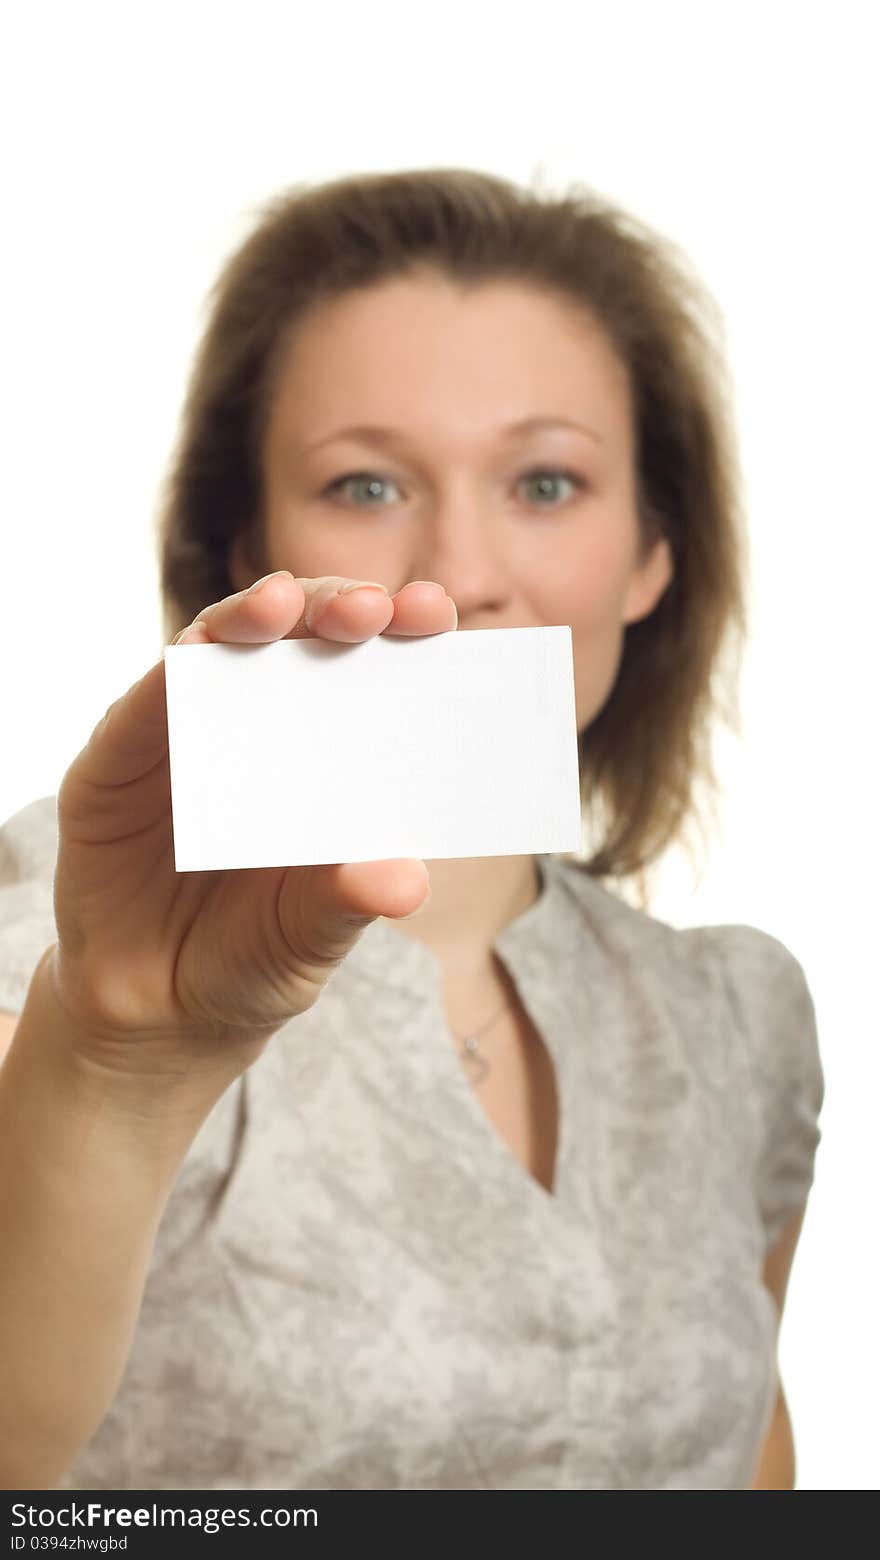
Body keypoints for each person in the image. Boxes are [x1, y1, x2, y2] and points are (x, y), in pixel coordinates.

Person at [0, 167, 824, 1492]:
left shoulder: (736, 1017)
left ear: (652, 554)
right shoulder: (70, 926)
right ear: (244, 543)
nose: (457, 572)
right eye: (368, 485)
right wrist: (110, 1062)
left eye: (547, 484)